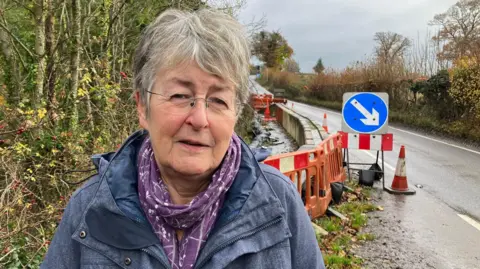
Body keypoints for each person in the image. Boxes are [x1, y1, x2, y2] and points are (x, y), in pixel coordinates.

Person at [41, 8, 325, 269]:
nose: (199, 119)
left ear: (236, 113)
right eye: (179, 96)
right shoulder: (90, 208)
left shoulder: (278, 202)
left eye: (217, 100)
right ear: (142, 106)